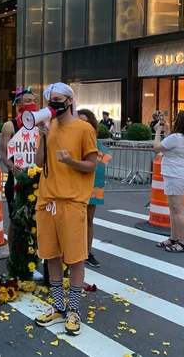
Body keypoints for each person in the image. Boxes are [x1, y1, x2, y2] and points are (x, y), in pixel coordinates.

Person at [34, 83, 97, 336]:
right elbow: (39, 162)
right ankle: (59, 306)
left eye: (57, 99)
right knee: (51, 255)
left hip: (72, 202)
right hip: (47, 200)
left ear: (70, 100)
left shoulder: (85, 128)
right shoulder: (50, 127)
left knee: (75, 258)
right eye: (50, 100)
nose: (53, 104)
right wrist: (43, 136)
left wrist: (70, 161)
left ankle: (74, 309)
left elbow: (92, 165)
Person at [0, 86, 42, 281]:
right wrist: (11, 165)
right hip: (16, 180)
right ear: (18, 104)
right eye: (27, 101)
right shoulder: (10, 126)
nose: (32, 103)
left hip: (39, 180)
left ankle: (35, 257)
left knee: (37, 222)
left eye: (34, 100)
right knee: (16, 220)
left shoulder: (42, 125)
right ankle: (14, 256)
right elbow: (3, 154)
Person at [153, 111, 184, 253]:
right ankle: (174, 238)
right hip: (180, 174)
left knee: (178, 209)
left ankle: (183, 242)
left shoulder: (176, 137)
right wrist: (167, 132)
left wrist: (157, 132)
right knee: (173, 208)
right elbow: (172, 148)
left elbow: (157, 147)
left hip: (174, 175)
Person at [77, 109, 102, 268]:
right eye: (80, 122)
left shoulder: (94, 142)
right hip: (73, 186)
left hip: (92, 184)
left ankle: (87, 252)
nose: (83, 126)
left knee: (88, 220)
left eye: (86, 122)